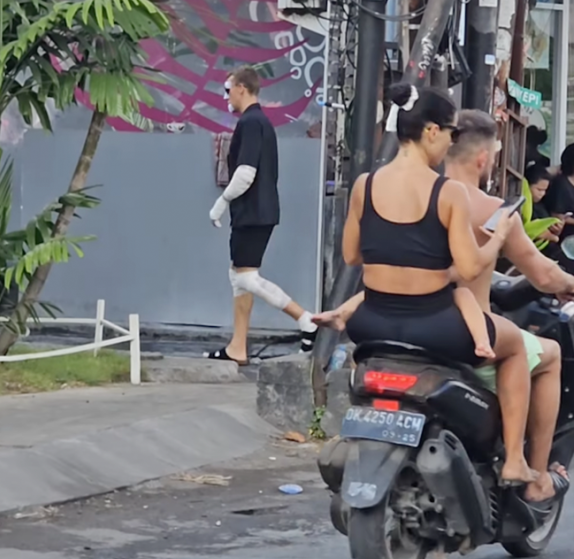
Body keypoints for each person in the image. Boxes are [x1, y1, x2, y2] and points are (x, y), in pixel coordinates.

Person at [316, 103, 572, 505]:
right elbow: (473, 266)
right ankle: (521, 466)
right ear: (431, 132)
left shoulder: (366, 184)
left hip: (372, 324)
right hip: (436, 324)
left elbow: (352, 256)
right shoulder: (450, 194)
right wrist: (498, 235)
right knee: (529, 352)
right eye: (446, 133)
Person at [205, 66, 318, 365]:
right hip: (256, 211)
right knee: (239, 277)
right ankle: (237, 347)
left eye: (228, 90)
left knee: (247, 277)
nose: (226, 96)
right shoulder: (257, 121)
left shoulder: (252, 122)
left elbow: (245, 173)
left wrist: (221, 202)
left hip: (253, 211)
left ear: (242, 87)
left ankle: (305, 318)